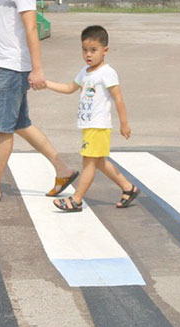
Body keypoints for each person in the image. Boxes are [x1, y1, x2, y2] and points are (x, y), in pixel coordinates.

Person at [0, 0, 78, 204]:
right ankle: (63, 169)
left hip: (12, 67)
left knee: (3, 128)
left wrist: (38, 69)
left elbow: (31, 27)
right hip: (1, 64)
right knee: (21, 124)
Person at [45, 25, 139, 212]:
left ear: (105, 50)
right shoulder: (85, 71)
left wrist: (124, 123)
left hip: (98, 126)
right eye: (84, 49)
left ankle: (76, 200)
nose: (88, 54)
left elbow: (118, 98)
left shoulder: (107, 72)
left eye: (93, 50)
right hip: (89, 126)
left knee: (89, 162)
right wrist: (46, 83)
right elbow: (69, 88)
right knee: (100, 162)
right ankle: (129, 188)